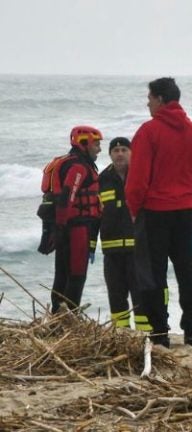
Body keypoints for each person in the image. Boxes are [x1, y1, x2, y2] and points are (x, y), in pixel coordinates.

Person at [126, 77, 192, 348]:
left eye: (149, 97)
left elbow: (138, 178)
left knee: (153, 274)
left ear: (161, 100)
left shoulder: (149, 131)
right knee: (187, 270)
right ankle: (191, 331)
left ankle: (160, 331)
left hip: (154, 211)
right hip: (185, 211)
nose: (147, 102)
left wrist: (133, 207)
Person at [98, 137, 151, 331]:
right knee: (116, 295)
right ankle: (121, 334)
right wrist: (89, 245)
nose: (119, 154)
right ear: (110, 154)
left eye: (124, 150)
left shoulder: (141, 176)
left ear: (132, 153)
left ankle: (145, 334)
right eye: (116, 150)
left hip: (138, 249)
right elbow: (96, 215)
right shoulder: (102, 179)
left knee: (141, 295)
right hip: (111, 251)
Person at [48, 126, 103, 313]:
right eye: (96, 144)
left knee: (62, 275)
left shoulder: (73, 163)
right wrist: (62, 227)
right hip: (76, 228)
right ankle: (68, 316)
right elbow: (67, 196)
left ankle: (57, 316)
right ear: (84, 143)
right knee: (76, 275)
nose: (99, 149)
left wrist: (59, 229)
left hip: (67, 228)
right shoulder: (78, 167)